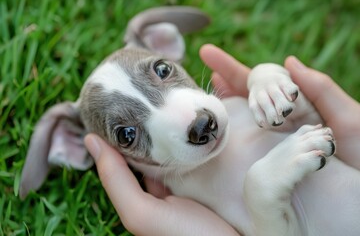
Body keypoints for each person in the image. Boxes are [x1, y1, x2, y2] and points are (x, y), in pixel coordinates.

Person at [84, 44, 360, 235]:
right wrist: (260, 189)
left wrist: (264, 78)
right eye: (127, 135)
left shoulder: (240, 105)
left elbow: (302, 116)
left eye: (163, 71)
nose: (196, 123)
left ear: (163, 45)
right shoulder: (190, 201)